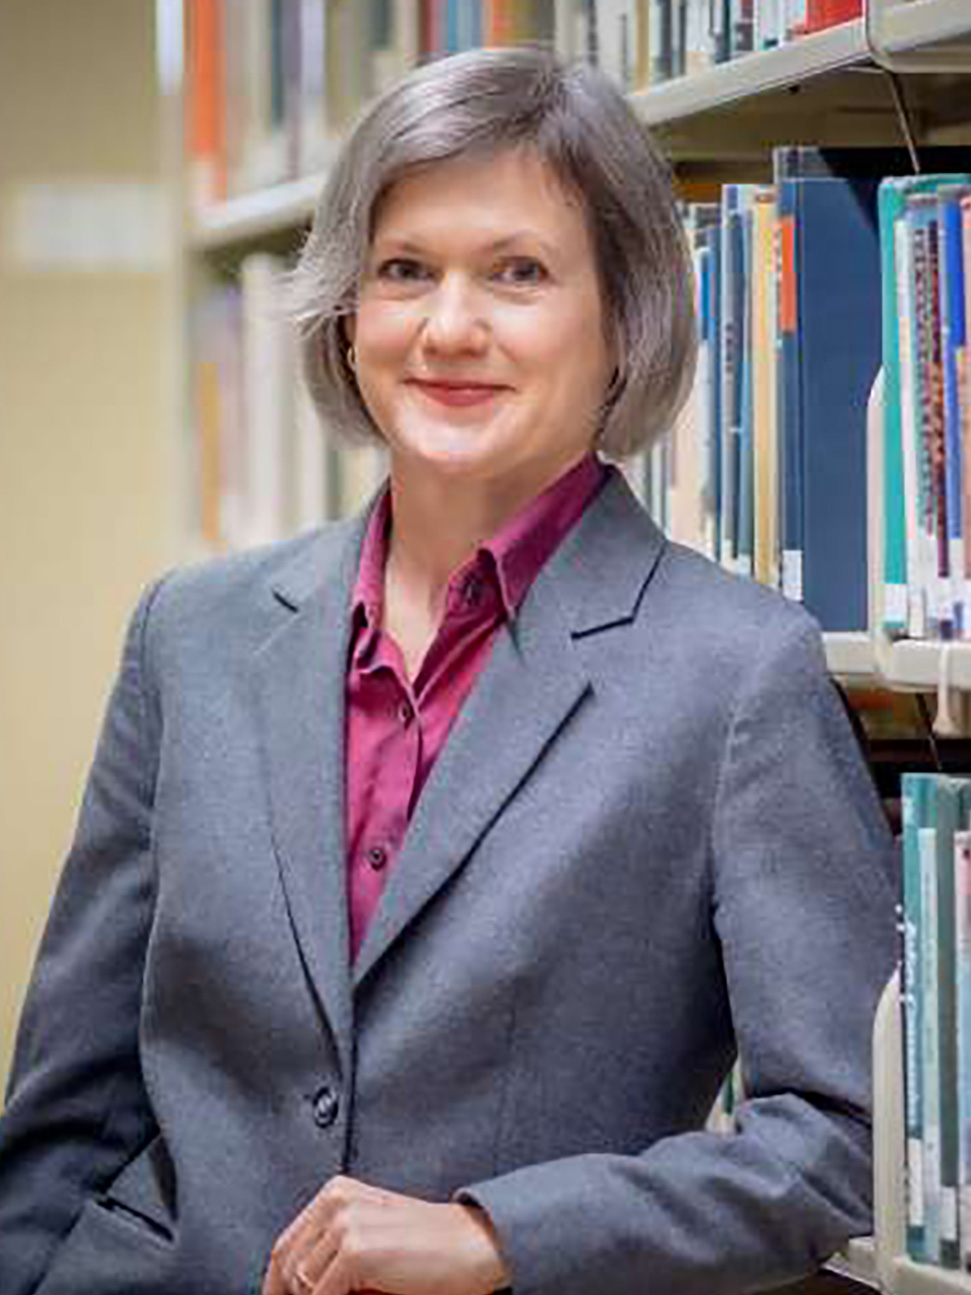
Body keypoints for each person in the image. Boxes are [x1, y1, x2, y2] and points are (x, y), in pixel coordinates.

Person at [0, 45, 896, 1295]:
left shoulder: (737, 674)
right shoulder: (190, 633)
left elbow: (837, 1139)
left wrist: (497, 1235)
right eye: (404, 270)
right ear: (347, 310)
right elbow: (71, 1103)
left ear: (624, 313)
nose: (448, 327)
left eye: (517, 272)